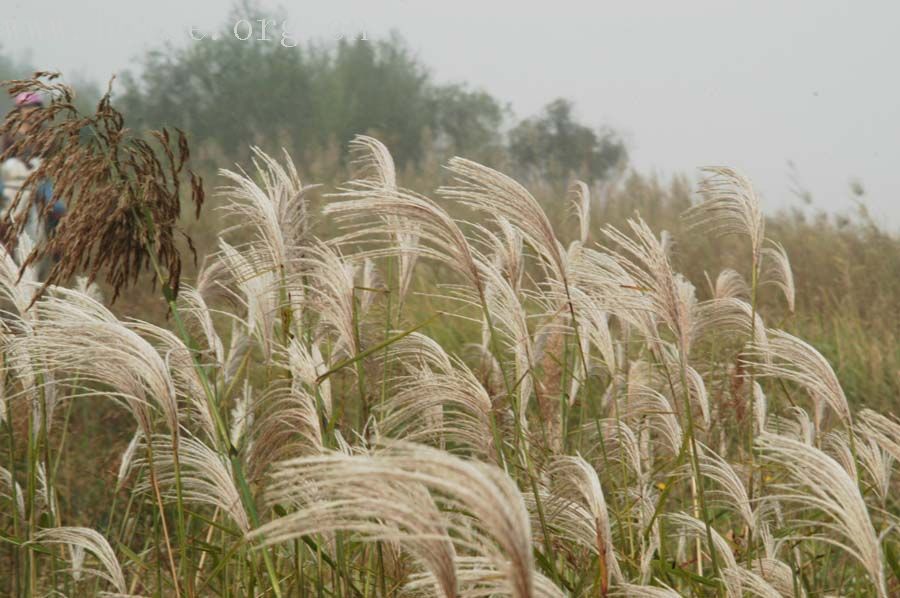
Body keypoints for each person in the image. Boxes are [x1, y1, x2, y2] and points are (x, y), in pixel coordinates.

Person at [0, 92, 66, 275]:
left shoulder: (46, 133)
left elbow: (51, 157)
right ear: (19, 111)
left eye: (35, 109)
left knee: (57, 207)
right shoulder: (10, 132)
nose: (31, 112)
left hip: (38, 176)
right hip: (12, 175)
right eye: (26, 108)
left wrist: (40, 165)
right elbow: (5, 155)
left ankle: (57, 245)